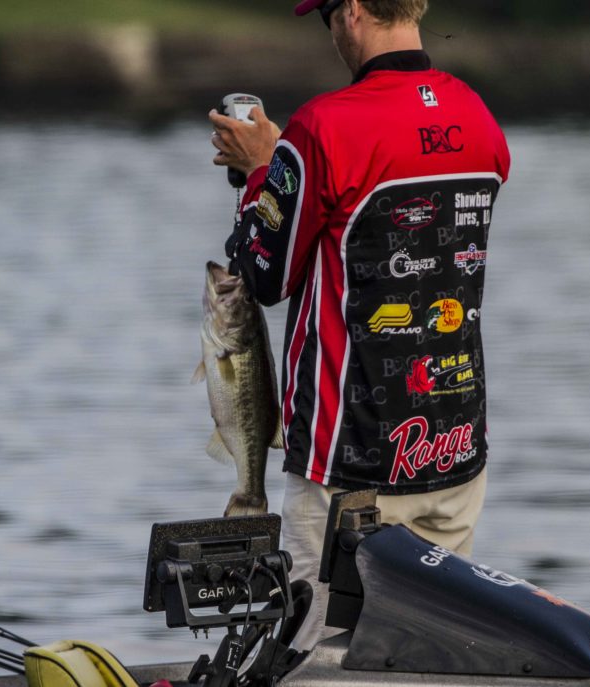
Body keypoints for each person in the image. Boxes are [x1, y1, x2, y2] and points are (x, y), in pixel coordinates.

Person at [209, 0, 510, 652]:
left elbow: (263, 277)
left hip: (348, 464)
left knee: (312, 659)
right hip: (455, 449)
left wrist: (266, 167)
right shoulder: (478, 116)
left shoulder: (320, 128)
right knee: (427, 659)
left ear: (349, 12)